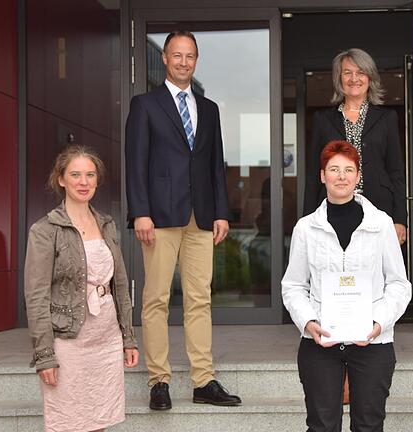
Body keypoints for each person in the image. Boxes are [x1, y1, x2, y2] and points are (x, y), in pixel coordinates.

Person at [125, 30, 239, 410]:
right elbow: (135, 163)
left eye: (190, 56)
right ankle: (159, 381)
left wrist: (221, 211)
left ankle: (203, 381)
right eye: (177, 55)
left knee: (199, 299)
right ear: (166, 60)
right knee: (155, 299)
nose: (183, 62)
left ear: (196, 59)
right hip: (158, 216)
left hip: (201, 217)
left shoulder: (209, 109)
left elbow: (214, 165)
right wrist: (139, 211)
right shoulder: (145, 105)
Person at [283, 140, 411, 432]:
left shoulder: (381, 224)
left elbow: (399, 285)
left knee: (368, 425)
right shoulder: (306, 227)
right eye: (334, 169)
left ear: (358, 176)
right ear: (322, 176)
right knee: (321, 426)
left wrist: (378, 323)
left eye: (348, 170)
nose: (341, 176)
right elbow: (293, 286)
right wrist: (309, 322)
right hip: (320, 343)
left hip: (373, 343)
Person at [24, 145, 139, 432]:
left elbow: (120, 284)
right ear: (61, 179)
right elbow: (36, 297)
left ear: (97, 180)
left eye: (90, 175)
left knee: (99, 419)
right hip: (68, 340)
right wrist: (44, 355)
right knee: (67, 422)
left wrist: (128, 338)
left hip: (106, 337)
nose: (83, 182)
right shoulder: (45, 230)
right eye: (75, 174)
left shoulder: (107, 224)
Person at [303, 48, 407, 246]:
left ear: (370, 78)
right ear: (339, 78)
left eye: (361, 72)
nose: (354, 78)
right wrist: (308, 220)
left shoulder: (387, 118)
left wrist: (400, 219)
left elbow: (396, 172)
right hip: (333, 207)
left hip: (378, 206)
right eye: (347, 72)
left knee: (377, 272)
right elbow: (313, 175)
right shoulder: (322, 120)